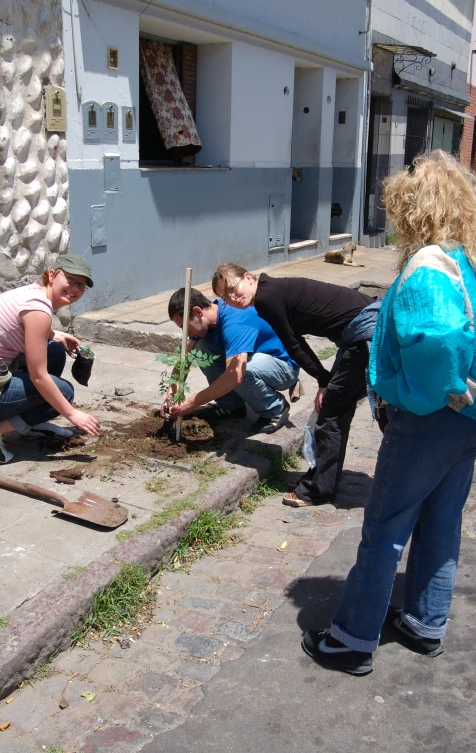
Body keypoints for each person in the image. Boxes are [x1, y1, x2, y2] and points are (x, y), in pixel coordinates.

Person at [301, 150, 476, 676]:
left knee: (384, 528)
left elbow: (439, 339)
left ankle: (352, 640)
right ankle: (425, 623)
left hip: (429, 418)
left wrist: (413, 393)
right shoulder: (463, 260)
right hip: (464, 420)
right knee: (442, 524)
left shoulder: (427, 265)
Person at [212, 263, 380, 505]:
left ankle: (318, 489)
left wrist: (324, 380)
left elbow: (294, 345)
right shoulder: (271, 291)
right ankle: (322, 478)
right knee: (335, 410)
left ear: (248, 278)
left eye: (233, 288)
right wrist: (325, 379)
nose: (233, 297)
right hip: (364, 329)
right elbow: (298, 342)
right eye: (225, 296)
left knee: (331, 413)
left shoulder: (267, 298)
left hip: (366, 331)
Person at [0, 254, 100, 470]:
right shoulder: (39, 310)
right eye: (70, 280)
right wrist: (71, 413)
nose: (76, 288)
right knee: (64, 393)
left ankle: (30, 423)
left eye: (81, 285)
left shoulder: (31, 294)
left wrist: (56, 335)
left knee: (55, 352)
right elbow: (38, 376)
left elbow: (22, 326)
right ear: (52, 275)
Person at [161, 288, 299, 434]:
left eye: (184, 327)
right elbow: (184, 359)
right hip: (255, 359)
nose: (185, 333)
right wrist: (171, 396)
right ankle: (231, 406)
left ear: (197, 312)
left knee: (241, 370)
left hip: (284, 366)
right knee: (201, 347)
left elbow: (235, 375)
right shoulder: (208, 319)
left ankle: (275, 408)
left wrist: (192, 402)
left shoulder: (235, 321)